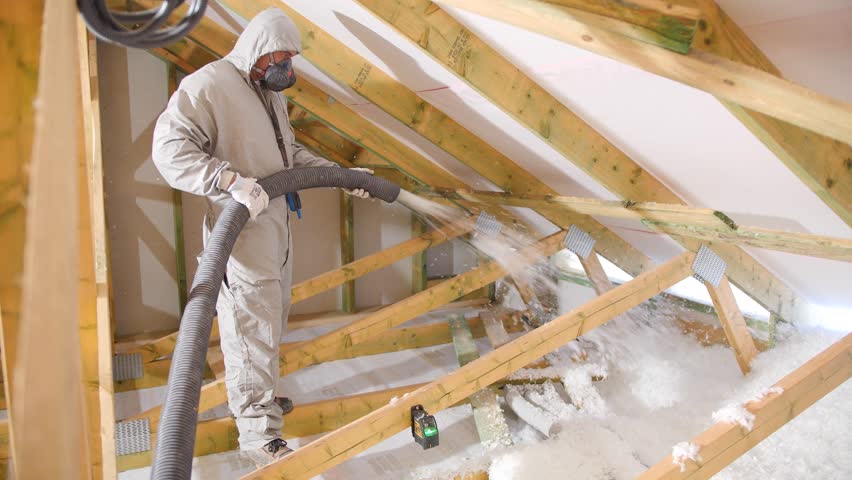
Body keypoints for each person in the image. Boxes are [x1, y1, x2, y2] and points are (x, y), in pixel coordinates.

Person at [152, 7, 371, 467]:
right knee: (251, 331)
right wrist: (228, 181)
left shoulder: (267, 93)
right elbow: (169, 151)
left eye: (292, 59)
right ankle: (257, 433)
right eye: (282, 58)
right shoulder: (209, 85)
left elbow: (287, 156)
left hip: (275, 228)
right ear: (259, 50)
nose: (288, 68)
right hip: (242, 235)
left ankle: (263, 399)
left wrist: (343, 176)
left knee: (270, 323)